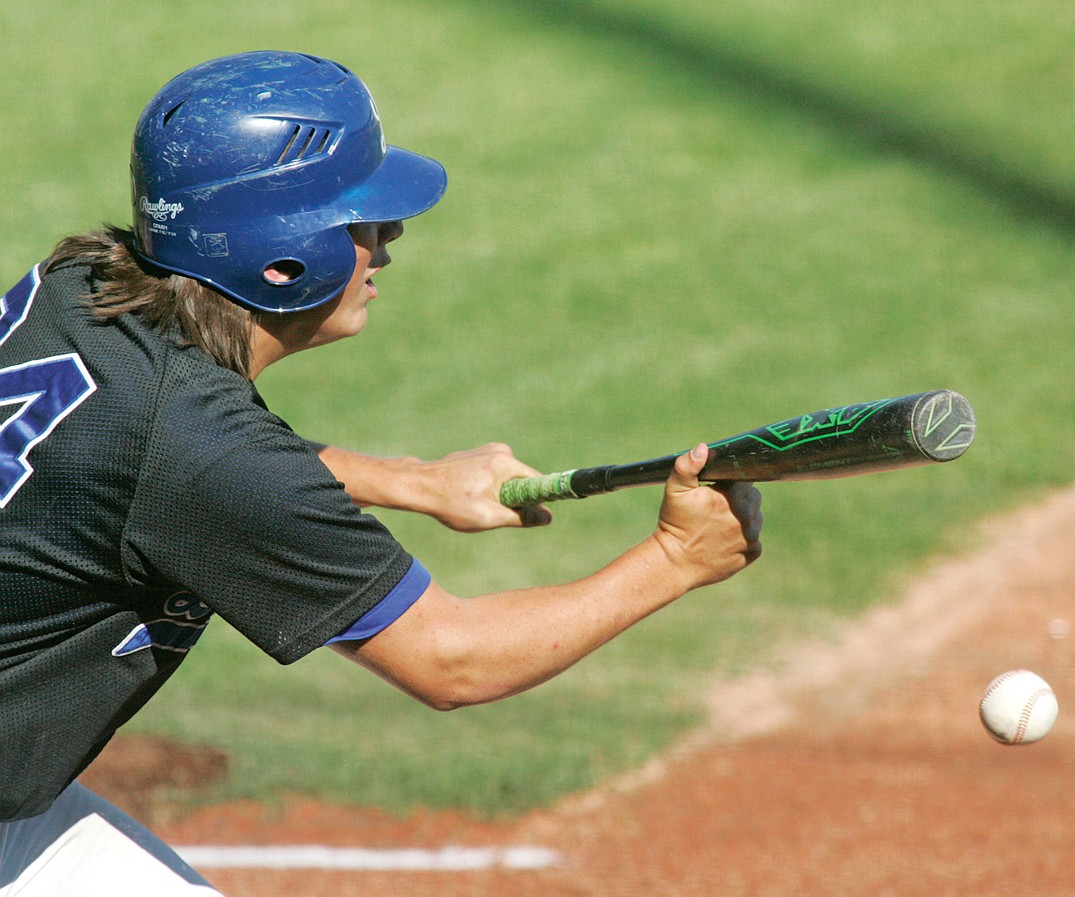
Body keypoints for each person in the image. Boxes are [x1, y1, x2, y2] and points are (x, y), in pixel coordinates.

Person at [0, 50, 763, 895]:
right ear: (283, 257)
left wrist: (414, 481)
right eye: (360, 223)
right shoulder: (202, 455)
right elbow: (452, 660)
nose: (387, 244)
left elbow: (151, 467)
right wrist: (674, 560)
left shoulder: (75, 284)